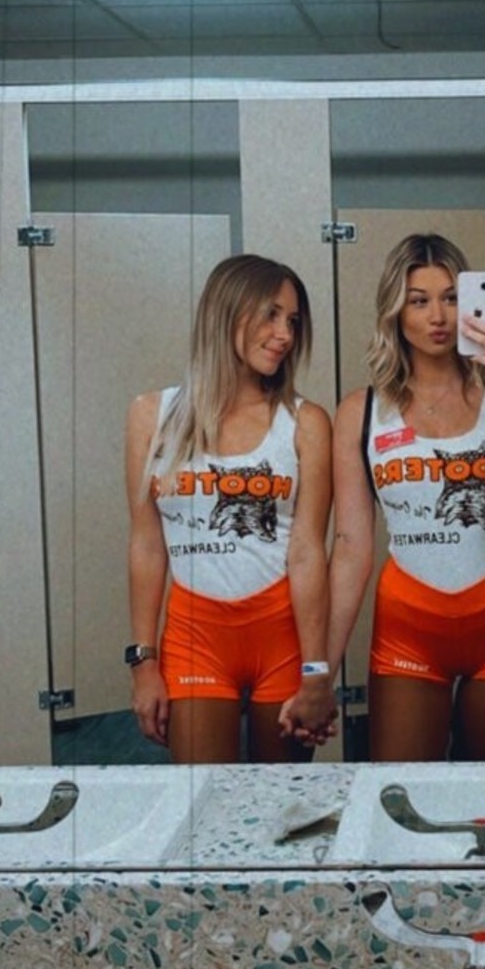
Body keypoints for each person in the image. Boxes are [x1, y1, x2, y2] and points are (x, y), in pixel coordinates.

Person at [328, 233, 485, 761]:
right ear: (395, 312)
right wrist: (320, 668)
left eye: (451, 297)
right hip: (409, 625)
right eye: (419, 300)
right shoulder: (361, 411)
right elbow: (351, 546)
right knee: (401, 794)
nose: (439, 316)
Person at [125, 253, 337, 763]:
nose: (284, 335)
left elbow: (308, 552)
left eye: (293, 321)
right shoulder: (151, 415)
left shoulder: (305, 422)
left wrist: (317, 672)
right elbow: (147, 545)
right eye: (271, 314)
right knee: (200, 800)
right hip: (194, 635)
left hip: (282, 634)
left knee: (282, 802)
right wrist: (143, 663)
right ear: (226, 312)